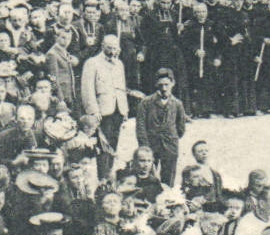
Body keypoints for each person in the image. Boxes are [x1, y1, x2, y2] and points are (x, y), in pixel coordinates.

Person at [79, 34, 129, 176]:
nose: (113, 52)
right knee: (102, 146)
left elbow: (122, 88)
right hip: (102, 111)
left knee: (113, 144)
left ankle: (109, 175)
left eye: (115, 48)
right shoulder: (92, 63)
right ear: (102, 46)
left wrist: (125, 111)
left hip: (118, 110)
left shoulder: (119, 64)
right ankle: (102, 177)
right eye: (109, 48)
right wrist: (93, 111)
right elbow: (87, 89)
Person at [134, 68, 188, 186]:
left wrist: (171, 137)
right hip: (151, 144)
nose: (164, 88)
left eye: (166, 85)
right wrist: (145, 146)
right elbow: (140, 127)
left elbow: (181, 127)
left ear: (173, 84)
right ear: (156, 85)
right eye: (161, 85)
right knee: (148, 177)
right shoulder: (146, 103)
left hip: (170, 146)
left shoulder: (177, 104)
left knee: (168, 180)